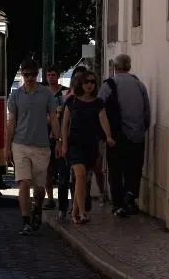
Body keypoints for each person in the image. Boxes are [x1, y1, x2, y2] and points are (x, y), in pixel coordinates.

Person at [7, 59, 61, 236]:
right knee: (24, 183)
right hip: (20, 144)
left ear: (37, 75)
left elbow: (53, 118)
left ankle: (37, 207)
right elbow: (11, 122)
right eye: (26, 75)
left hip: (42, 146)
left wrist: (59, 140)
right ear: (22, 75)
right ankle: (26, 221)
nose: (29, 78)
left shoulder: (46, 94)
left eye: (32, 75)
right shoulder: (15, 95)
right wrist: (7, 147)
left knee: (39, 188)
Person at [99, 54, 151, 217]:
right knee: (134, 168)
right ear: (129, 67)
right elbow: (147, 112)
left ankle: (118, 204)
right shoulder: (139, 85)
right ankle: (130, 195)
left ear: (115, 67)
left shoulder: (108, 85)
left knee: (115, 170)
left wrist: (104, 134)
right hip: (137, 136)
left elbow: (98, 107)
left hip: (116, 137)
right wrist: (142, 129)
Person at [61, 70, 115, 224]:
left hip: (91, 145)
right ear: (80, 84)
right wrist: (64, 143)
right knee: (81, 175)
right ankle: (83, 212)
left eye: (92, 82)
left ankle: (74, 212)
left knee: (82, 180)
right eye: (87, 82)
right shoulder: (72, 101)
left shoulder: (98, 103)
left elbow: (103, 120)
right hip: (74, 145)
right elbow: (64, 125)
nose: (90, 85)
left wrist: (109, 136)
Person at [43, 66, 67, 211]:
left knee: (62, 168)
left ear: (58, 76)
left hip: (61, 135)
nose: (50, 77)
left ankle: (63, 200)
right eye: (48, 75)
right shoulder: (43, 93)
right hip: (45, 135)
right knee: (47, 169)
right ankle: (50, 198)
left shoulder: (65, 92)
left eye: (53, 75)